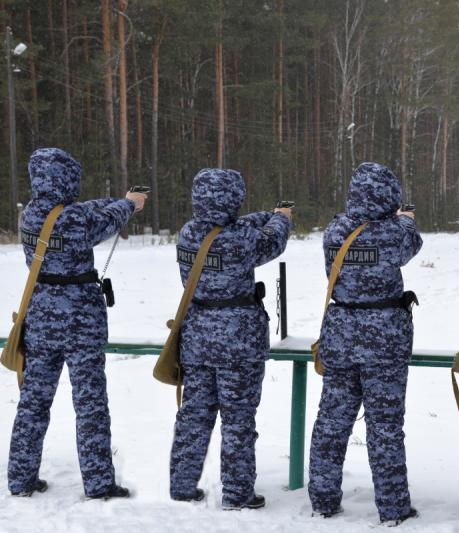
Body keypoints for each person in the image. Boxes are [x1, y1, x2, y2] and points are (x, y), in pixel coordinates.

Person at [8, 147, 147, 499]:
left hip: (40, 319)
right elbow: (100, 221)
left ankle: (21, 478)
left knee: (33, 403)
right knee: (90, 404)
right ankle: (99, 484)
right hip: (79, 322)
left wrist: (119, 198)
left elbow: (83, 209)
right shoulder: (71, 220)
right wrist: (129, 204)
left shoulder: (32, 215)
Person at [168, 168, 292, 510]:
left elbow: (234, 225)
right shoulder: (242, 239)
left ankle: (181, 485)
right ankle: (237, 493)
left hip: (197, 337)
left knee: (194, 415)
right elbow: (272, 241)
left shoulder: (188, 233)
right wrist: (281, 218)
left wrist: (267, 213)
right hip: (238, 340)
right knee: (238, 419)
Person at [308, 162, 422, 525]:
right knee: (385, 426)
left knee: (331, 421)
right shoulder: (394, 233)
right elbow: (412, 242)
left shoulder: (335, 229)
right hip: (384, 340)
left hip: (342, 334)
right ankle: (392, 507)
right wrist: (405, 217)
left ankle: (323, 499)